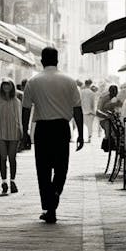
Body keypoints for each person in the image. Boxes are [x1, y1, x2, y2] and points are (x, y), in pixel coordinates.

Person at [22, 47, 83, 224]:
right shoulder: (69, 81)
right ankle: (55, 194)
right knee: (61, 166)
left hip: (42, 129)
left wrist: (25, 131)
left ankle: (49, 205)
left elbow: (26, 109)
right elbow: (77, 108)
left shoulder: (33, 81)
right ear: (57, 60)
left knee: (43, 168)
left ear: (42, 60)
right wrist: (79, 132)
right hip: (62, 128)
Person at [0, 79, 23, 194]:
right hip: (1, 131)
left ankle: (13, 181)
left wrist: (22, 132)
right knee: (3, 158)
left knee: (12, 158)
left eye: (8, 86)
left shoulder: (16, 101)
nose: (6, 88)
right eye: (4, 86)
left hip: (14, 131)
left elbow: (20, 118)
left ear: (12, 87)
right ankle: (4, 182)